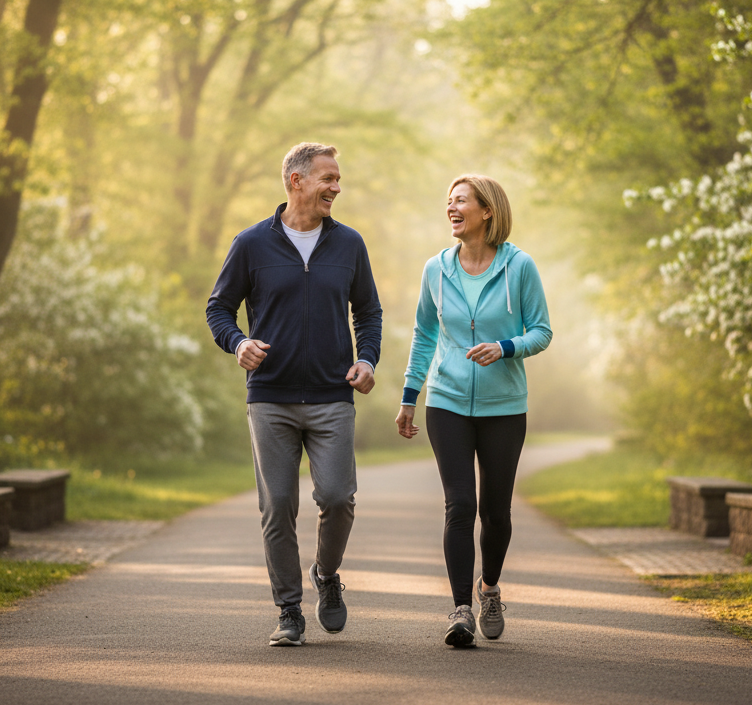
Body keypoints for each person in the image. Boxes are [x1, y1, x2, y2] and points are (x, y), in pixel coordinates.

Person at [207, 142, 382, 647]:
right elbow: (219, 309)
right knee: (277, 504)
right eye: (328, 177)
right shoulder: (251, 244)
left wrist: (367, 359)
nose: (336, 187)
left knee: (336, 497)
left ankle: (326, 574)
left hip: (332, 394)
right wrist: (238, 343)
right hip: (270, 397)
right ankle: (288, 611)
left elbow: (368, 312)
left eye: (338, 179)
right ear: (296, 180)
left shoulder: (349, 244)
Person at [395, 174, 551, 648]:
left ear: (488, 211)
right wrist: (409, 395)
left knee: (496, 511)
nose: (452, 208)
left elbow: (541, 331)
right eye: (448, 201)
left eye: (461, 200)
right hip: (447, 401)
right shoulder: (435, 270)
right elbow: (424, 335)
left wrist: (504, 347)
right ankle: (460, 609)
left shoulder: (519, 266)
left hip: (505, 405)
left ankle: (489, 589)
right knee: (460, 504)